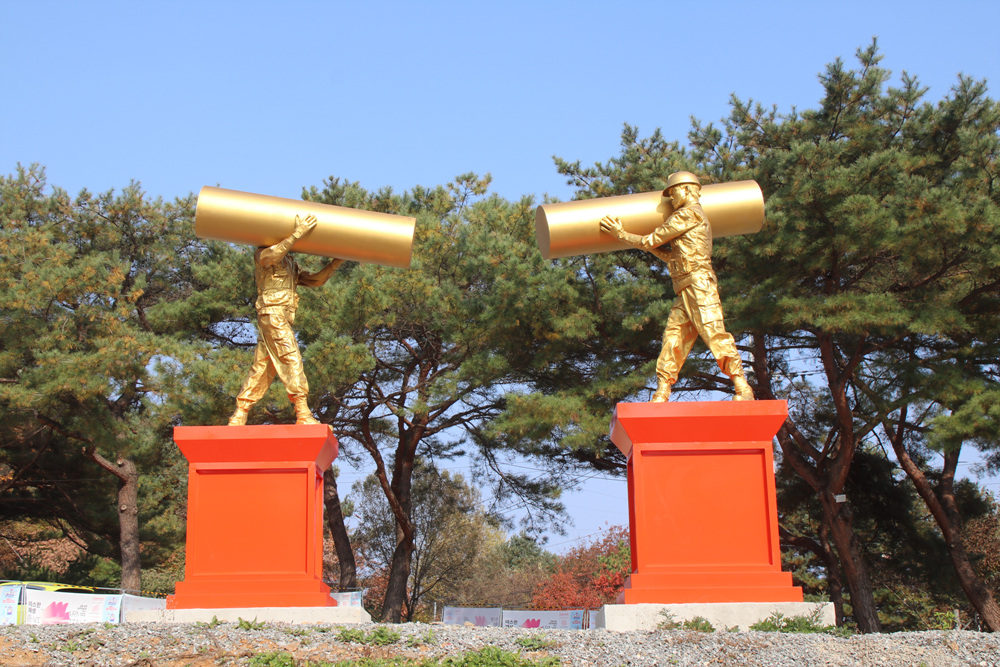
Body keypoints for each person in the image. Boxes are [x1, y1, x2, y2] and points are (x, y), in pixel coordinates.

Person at [599, 171, 754, 402]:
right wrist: (645, 245)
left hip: (699, 284)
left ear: (688, 189)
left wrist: (620, 234)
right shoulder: (690, 216)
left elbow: (650, 240)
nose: (671, 199)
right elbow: (670, 256)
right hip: (686, 287)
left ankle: (743, 387)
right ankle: (663, 390)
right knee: (674, 338)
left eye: (674, 192)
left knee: (713, 333)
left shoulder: (687, 214)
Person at [228, 214, 343, 425]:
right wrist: (298, 233)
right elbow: (273, 256)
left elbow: (315, 280)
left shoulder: (291, 263)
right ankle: (302, 411)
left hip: (279, 317)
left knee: (263, 366)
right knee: (291, 357)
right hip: (272, 312)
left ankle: (240, 412)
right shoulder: (262, 254)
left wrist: (336, 263)